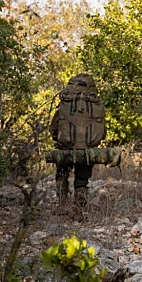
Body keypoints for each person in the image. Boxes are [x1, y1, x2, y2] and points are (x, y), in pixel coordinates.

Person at [49, 73, 106, 213]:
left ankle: (62, 205)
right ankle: (79, 209)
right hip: (87, 149)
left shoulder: (66, 102)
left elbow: (54, 126)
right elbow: (103, 131)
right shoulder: (95, 104)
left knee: (61, 175)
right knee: (81, 180)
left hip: (65, 147)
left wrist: (57, 138)